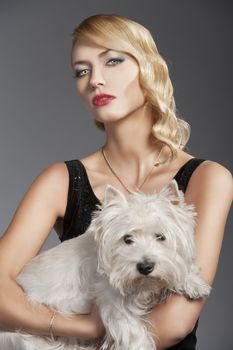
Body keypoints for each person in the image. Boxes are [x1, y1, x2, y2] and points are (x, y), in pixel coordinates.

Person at [0, 13, 232, 350]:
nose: (95, 80)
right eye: (82, 71)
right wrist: (83, 328)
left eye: (112, 60)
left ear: (149, 68)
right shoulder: (60, 180)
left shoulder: (208, 178)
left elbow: (173, 324)